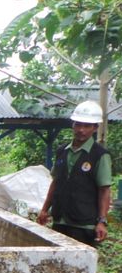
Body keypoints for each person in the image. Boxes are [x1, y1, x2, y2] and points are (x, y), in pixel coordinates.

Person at [38, 100, 112, 247]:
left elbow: (104, 190)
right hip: (60, 220)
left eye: (87, 126)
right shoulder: (62, 151)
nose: (81, 130)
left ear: (95, 128)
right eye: (78, 124)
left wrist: (102, 221)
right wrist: (45, 209)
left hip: (84, 224)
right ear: (72, 125)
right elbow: (56, 182)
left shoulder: (100, 155)